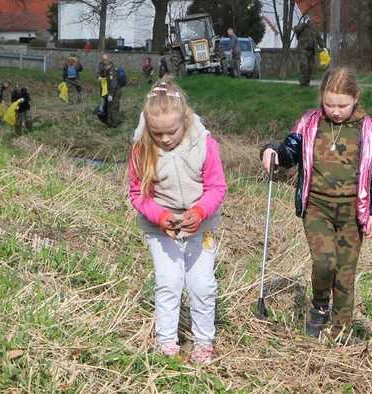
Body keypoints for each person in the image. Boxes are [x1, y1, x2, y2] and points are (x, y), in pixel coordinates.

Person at [260, 67, 372, 340]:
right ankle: (319, 307)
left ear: (356, 99)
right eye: (329, 104)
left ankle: (340, 329)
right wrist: (273, 153)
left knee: (344, 273)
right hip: (317, 207)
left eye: (342, 105)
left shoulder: (370, 130)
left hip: (353, 213)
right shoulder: (310, 123)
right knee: (324, 263)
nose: (336, 111)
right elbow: (290, 150)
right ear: (322, 99)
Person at [128, 78, 227, 364]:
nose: (165, 139)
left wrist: (199, 213)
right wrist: (160, 217)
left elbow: (217, 188)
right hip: (160, 229)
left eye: (171, 132)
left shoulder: (205, 144)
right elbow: (137, 193)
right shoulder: (141, 148)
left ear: (185, 119)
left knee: (202, 285)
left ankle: (203, 341)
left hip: (200, 227)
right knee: (169, 282)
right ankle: (166, 340)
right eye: (157, 133)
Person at [293, 15, 326, 87]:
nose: (309, 22)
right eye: (307, 20)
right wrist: (303, 24)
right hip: (302, 50)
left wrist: (323, 47)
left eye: (309, 21)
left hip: (311, 51)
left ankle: (307, 83)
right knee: (304, 65)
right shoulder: (301, 27)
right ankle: (302, 83)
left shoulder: (314, 29)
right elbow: (296, 30)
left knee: (310, 67)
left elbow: (319, 38)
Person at [98, 59, 123, 128]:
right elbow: (108, 80)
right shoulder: (108, 71)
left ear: (109, 65)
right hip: (111, 91)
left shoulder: (112, 72)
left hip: (115, 92)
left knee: (114, 107)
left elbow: (113, 84)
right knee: (109, 107)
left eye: (105, 66)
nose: (104, 67)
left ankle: (115, 124)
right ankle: (110, 123)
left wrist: (111, 95)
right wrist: (102, 78)